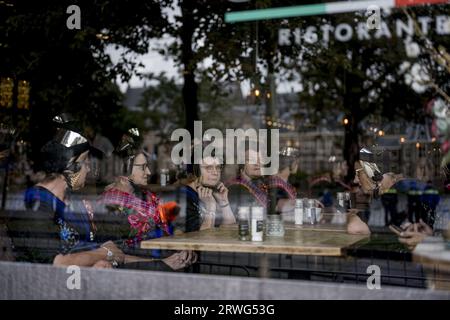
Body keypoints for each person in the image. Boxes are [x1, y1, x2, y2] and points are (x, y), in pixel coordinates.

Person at [181, 153, 236, 232]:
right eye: (208, 168)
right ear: (195, 172)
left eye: (218, 167)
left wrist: (224, 203)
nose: (215, 173)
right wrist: (210, 207)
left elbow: (231, 231)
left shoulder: (212, 192)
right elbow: (204, 239)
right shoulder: (185, 196)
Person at [226, 147, 268, 212]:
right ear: (242, 164)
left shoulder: (263, 184)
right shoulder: (234, 188)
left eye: (261, 160)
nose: (257, 164)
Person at [266, 147, 299, 218]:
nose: (297, 166)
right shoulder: (276, 184)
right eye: (296, 162)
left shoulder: (282, 183)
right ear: (291, 164)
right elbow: (277, 205)